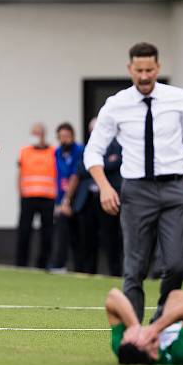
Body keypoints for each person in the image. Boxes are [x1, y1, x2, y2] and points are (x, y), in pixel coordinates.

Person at [84, 42, 183, 322]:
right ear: (130, 69)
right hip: (137, 191)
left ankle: (163, 315)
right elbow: (93, 151)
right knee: (135, 268)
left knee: (176, 263)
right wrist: (104, 186)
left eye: (150, 70)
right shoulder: (116, 104)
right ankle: (133, 330)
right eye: (139, 70)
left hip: (176, 188)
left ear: (158, 68)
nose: (145, 76)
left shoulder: (179, 99)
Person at [61, 117, 122, 276]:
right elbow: (81, 169)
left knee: (111, 239)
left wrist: (95, 165)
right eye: (91, 131)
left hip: (108, 198)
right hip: (87, 200)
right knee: (87, 239)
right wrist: (102, 164)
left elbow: (115, 165)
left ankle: (115, 273)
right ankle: (88, 273)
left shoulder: (116, 146)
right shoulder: (87, 149)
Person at [15, 123, 56, 268]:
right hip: (28, 197)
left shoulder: (53, 151)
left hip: (48, 197)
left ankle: (43, 264)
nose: (34, 136)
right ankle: (21, 265)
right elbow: (20, 174)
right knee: (24, 232)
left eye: (37, 133)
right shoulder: (25, 151)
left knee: (47, 234)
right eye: (33, 133)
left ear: (43, 134)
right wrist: (20, 192)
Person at [49, 122, 83, 272]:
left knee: (79, 234)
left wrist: (67, 200)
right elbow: (59, 177)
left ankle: (80, 267)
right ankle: (59, 263)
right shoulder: (57, 152)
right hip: (63, 198)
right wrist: (60, 201)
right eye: (61, 137)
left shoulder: (79, 150)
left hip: (78, 198)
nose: (64, 140)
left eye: (67, 136)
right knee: (62, 230)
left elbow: (75, 176)